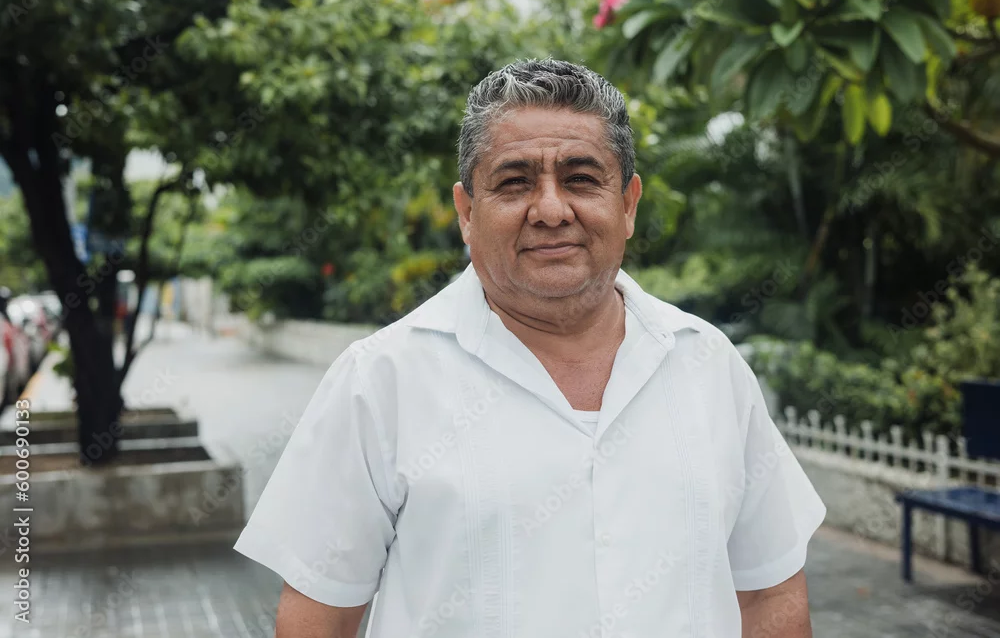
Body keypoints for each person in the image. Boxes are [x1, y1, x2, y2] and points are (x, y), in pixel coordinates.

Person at [234, 58, 826, 638]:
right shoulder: (380, 380)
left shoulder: (708, 365)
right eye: (514, 182)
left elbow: (769, 592)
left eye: (581, 179)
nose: (549, 210)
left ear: (628, 204)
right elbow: (319, 618)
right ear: (467, 212)